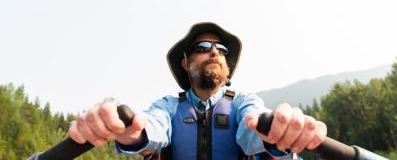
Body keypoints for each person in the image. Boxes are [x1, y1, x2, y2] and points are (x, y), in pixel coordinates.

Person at [56, 22, 328, 159]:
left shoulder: (245, 102)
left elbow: (252, 130)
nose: (213, 51)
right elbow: (152, 126)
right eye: (202, 47)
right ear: (185, 62)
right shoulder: (169, 106)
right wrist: (129, 130)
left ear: (227, 67)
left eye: (221, 50)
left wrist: (276, 133)